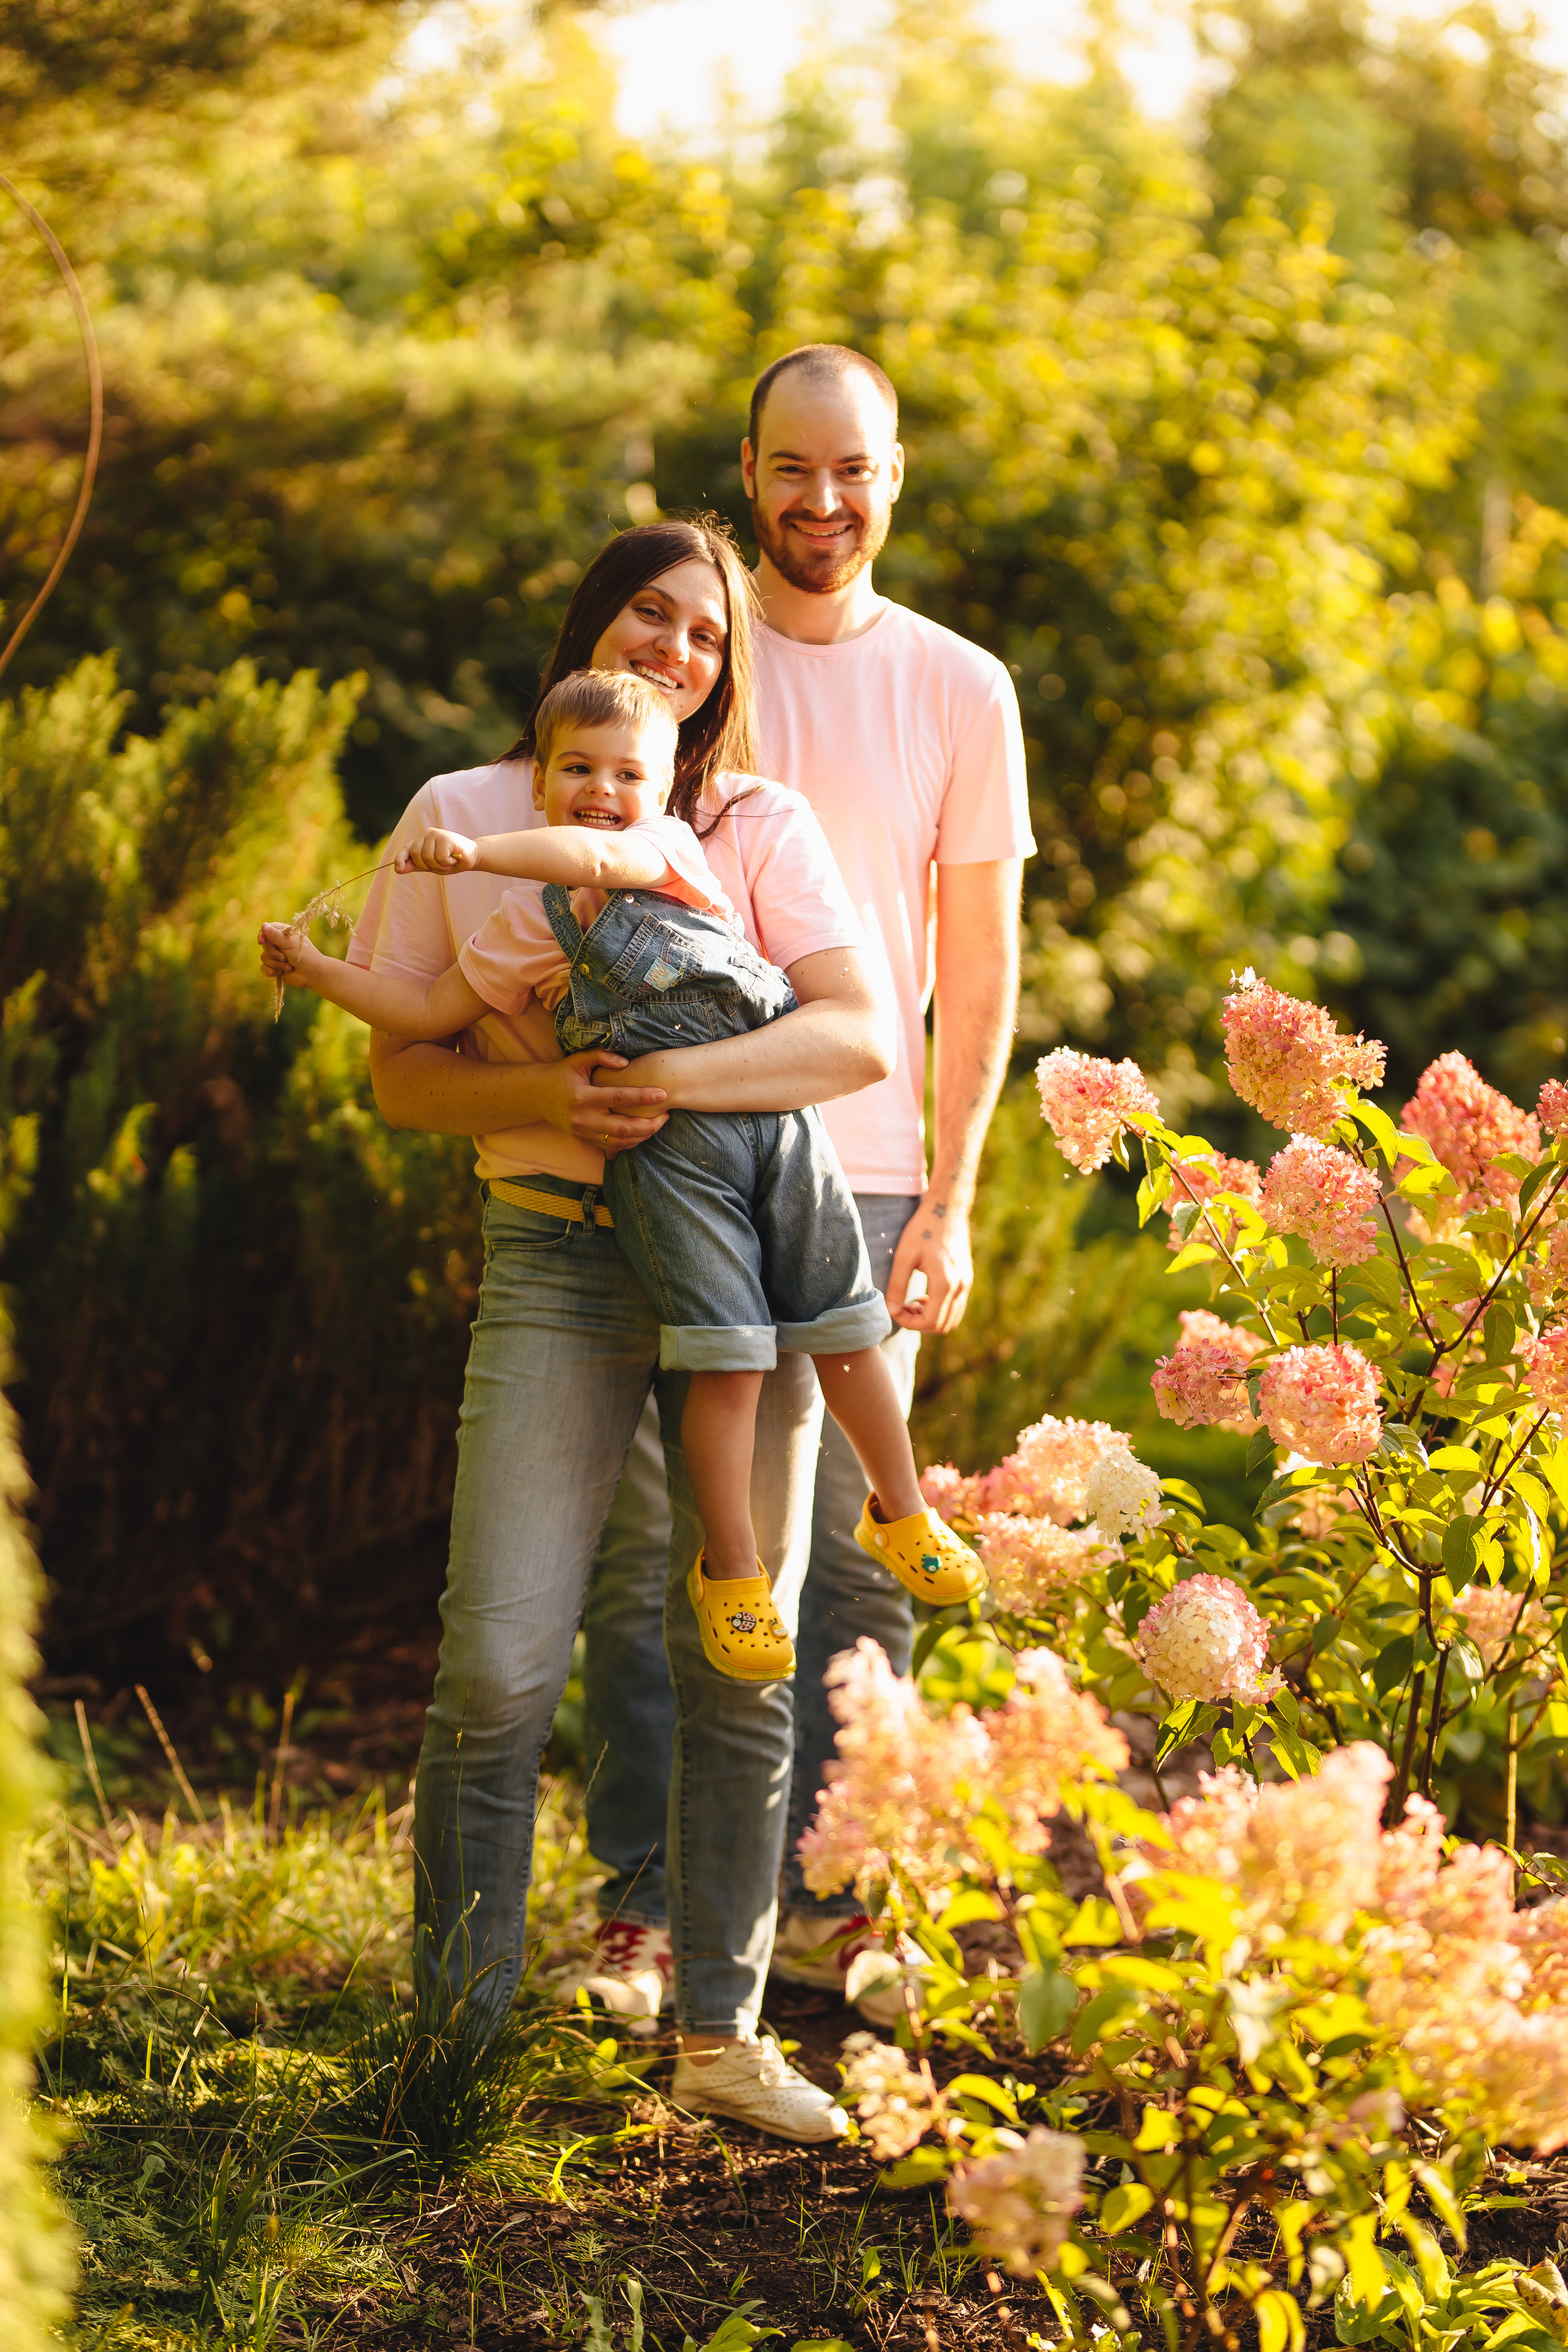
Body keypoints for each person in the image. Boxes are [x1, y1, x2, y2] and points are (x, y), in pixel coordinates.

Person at [345, 516, 897, 2139]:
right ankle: (456, 2035)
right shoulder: (460, 818)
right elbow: (403, 1075)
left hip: (748, 1261)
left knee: (745, 1649)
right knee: (499, 1664)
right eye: (649, 616)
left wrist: (664, 1088)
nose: (678, 648)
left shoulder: (753, 822)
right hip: (561, 1260)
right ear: (589, 629)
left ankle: (722, 2036)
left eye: (708, 634)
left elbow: (856, 1036)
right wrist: (549, 1094)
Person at [578, 347, 1032, 2027]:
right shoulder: (692, 651)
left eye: (854, 470)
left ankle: (844, 1905)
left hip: (870, 1167)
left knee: (850, 1565)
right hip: (673, 1162)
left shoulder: (960, 687)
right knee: (660, 1560)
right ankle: (641, 1915)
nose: (821, 501)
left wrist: (955, 1197)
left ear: (895, 475)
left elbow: (978, 967)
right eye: (791, 468)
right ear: (749, 469)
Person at [262, 668, 982, 1681]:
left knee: (845, 1324)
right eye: (578, 769)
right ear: (542, 780)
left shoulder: (668, 849)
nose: (604, 788)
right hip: (669, 1163)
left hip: (776, 1127)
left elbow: (598, 851)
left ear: (666, 786)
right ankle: (730, 1571)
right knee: (727, 1358)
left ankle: (901, 1511)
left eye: (628, 772)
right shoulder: (520, 927)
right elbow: (424, 1017)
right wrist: (315, 972)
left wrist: (474, 852)